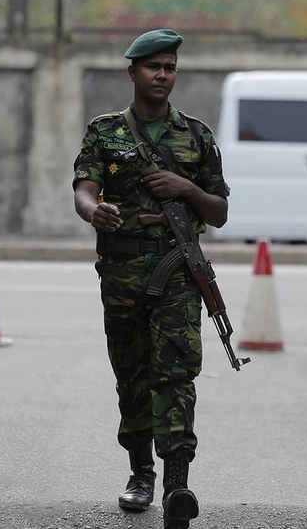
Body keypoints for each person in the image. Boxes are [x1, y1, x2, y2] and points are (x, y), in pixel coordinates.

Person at [71, 29, 229, 529]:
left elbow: (220, 212)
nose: (163, 75)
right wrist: (94, 211)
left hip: (178, 271)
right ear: (133, 72)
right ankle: (141, 471)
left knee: (176, 374)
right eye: (153, 67)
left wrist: (186, 187)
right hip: (122, 272)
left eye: (170, 67)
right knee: (133, 375)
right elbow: (83, 188)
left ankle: (176, 483)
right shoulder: (105, 131)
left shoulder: (197, 136)